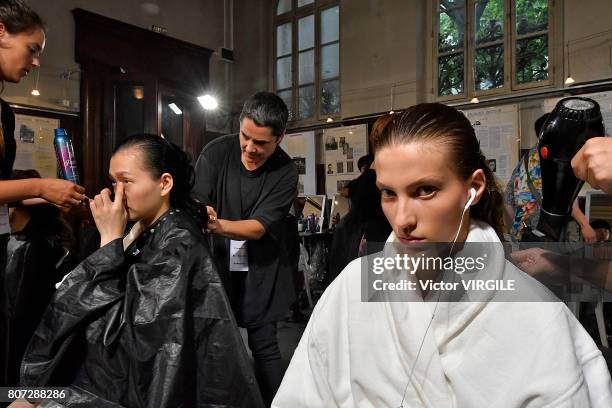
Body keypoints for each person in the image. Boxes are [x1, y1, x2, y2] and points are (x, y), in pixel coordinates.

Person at [273, 104, 612, 407]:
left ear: (473, 188)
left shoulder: (535, 312)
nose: (403, 219)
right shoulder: (352, 287)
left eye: (425, 190)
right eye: (389, 193)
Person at [16, 134, 263, 407]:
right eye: (113, 182)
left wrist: (109, 242)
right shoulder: (142, 227)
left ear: (164, 183)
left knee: (27, 398)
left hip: (126, 386)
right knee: (21, 396)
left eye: (127, 181)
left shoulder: (179, 243)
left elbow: (133, 335)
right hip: (105, 375)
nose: (116, 192)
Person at [193, 91, 298, 405]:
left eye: (261, 143)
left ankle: (276, 403)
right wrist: (203, 212)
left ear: (279, 138)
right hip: (217, 260)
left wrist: (217, 224)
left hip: (261, 263)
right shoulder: (216, 151)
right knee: (212, 341)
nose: (250, 148)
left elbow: (258, 227)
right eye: (245, 137)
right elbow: (198, 201)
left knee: (264, 343)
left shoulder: (285, 171)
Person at [0, 0, 85, 387]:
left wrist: (46, 197)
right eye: (32, 49)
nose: (35, 62)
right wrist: (38, 185)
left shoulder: (5, 112)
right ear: (1, 32)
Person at [4, 169, 76, 387]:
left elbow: (16, 315)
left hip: (21, 357)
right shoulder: (50, 241)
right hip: (42, 356)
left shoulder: (25, 249)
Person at [504, 113, 596, 243]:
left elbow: (507, 199)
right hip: (548, 235)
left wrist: (521, 223)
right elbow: (564, 199)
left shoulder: (526, 159)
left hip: (524, 236)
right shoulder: (556, 158)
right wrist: (585, 225)